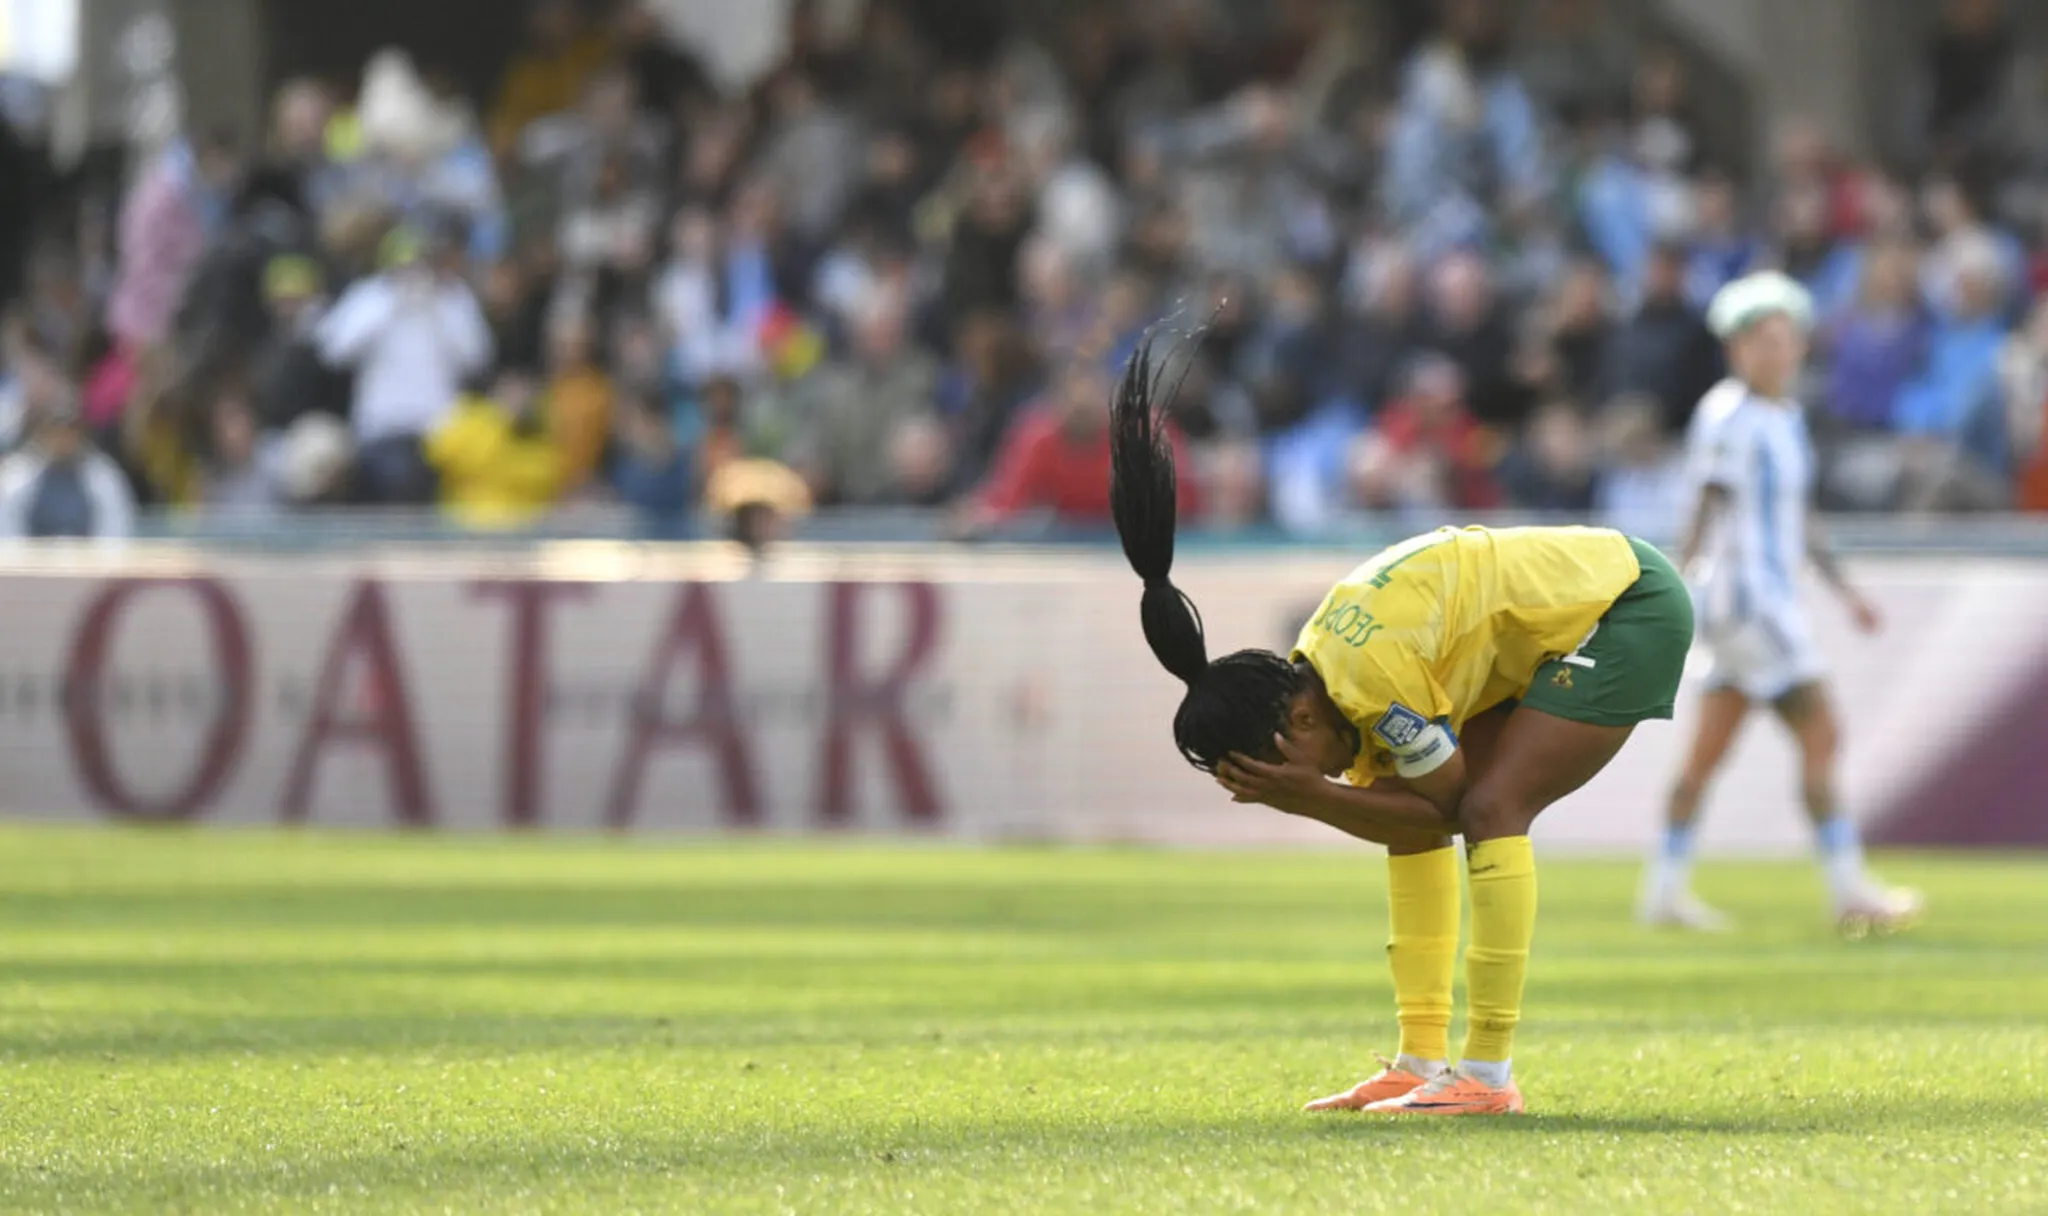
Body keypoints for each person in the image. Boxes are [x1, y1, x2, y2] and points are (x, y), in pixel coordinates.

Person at [1108, 332, 1695, 1116]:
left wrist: (1306, 799)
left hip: (1628, 606)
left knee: (1492, 810)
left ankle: (1488, 1078)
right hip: (1553, 624)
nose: (1305, 775)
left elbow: (1448, 809)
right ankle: (1420, 1061)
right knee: (1417, 824)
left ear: (1301, 714)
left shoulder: (1372, 680)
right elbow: (1410, 824)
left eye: (1284, 763)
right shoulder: (1322, 669)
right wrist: (1309, 790)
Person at [1641, 272, 1924, 935]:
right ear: (1737, 349)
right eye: (1762, 340)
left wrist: (1845, 590)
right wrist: (1671, 588)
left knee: (1706, 756)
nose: (1778, 352)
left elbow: (1801, 521)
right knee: (1821, 732)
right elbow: (1704, 506)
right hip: (1749, 604)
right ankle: (1849, 888)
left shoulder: (1785, 418)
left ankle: (1663, 890)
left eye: (1786, 339)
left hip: (1755, 605)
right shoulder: (1728, 415)